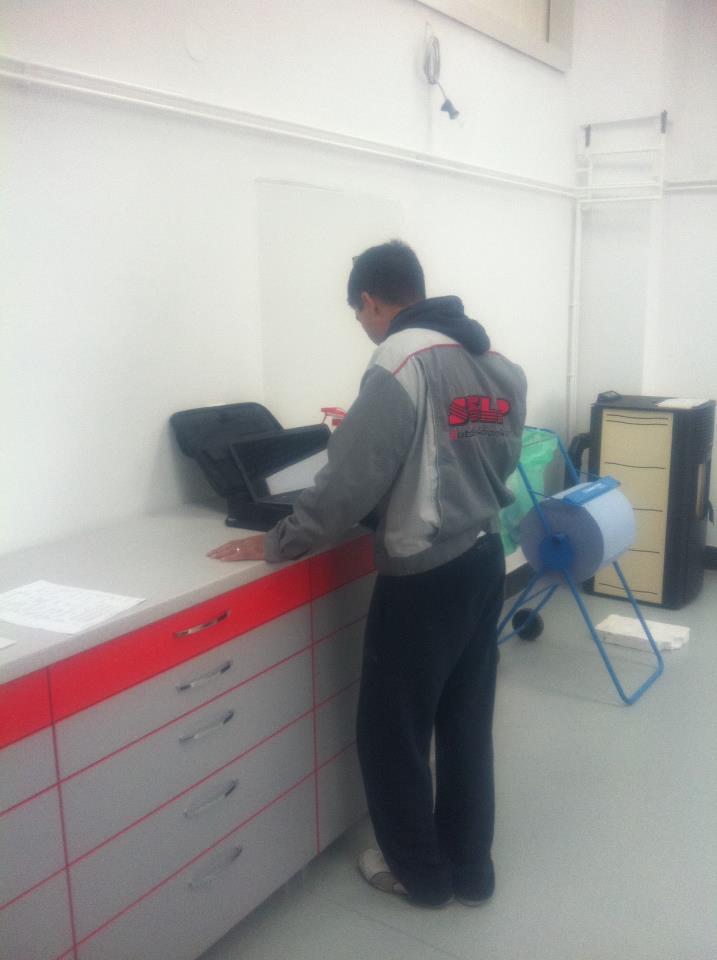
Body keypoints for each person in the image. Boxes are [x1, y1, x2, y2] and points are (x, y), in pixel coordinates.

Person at [208, 240, 527, 908]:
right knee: (465, 724)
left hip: (424, 576)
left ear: (372, 302)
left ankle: (420, 876)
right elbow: (481, 462)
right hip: (483, 559)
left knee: (391, 734)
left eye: (359, 314)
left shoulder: (400, 358)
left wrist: (280, 541)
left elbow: (347, 481)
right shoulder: (496, 362)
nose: (363, 325)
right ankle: (471, 869)